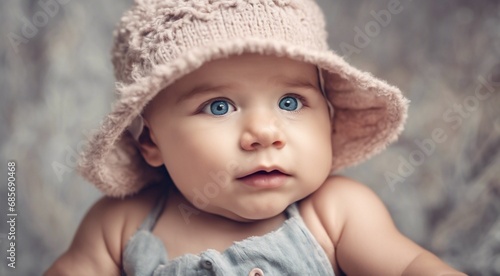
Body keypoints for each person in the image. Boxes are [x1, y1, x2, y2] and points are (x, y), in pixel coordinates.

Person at [45, 0, 466, 275]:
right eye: (219, 107)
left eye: (289, 102)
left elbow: (410, 266)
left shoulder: (335, 213)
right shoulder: (123, 224)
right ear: (150, 142)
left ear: (329, 114)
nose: (264, 134)